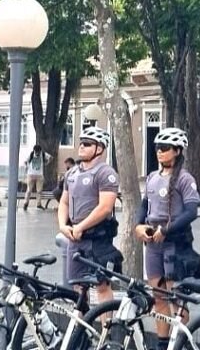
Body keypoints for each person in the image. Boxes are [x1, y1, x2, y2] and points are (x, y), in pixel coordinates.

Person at [135, 127, 200, 350]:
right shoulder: (153, 177)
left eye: (165, 148)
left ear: (177, 151)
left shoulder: (184, 179)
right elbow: (145, 204)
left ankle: (180, 342)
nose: (159, 152)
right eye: (157, 147)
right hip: (153, 245)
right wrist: (138, 225)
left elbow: (191, 211)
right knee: (159, 296)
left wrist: (166, 230)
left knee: (176, 298)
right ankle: (163, 344)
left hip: (175, 243)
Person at [58, 126, 122, 304]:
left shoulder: (105, 173)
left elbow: (105, 207)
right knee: (78, 286)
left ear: (99, 148)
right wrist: (63, 225)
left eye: (87, 144)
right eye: (81, 143)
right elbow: (64, 202)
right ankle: (82, 321)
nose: (81, 146)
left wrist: (81, 226)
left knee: (102, 285)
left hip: (97, 238)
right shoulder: (71, 173)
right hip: (75, 238)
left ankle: (105, 322)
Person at [22, 144, 51, 211]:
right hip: (30, 175)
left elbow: (50, 158)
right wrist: (26, 166)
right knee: (29, 190)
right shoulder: (31, 154)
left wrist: (46, 163)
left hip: (39, 175)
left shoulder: (43, 154)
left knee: (39, 191)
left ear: (40, 151)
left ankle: (39, 204)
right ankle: (25, 203)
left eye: (38, 152)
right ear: (34, 150)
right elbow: (25, 162)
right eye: (36, 152)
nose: (37, 153)